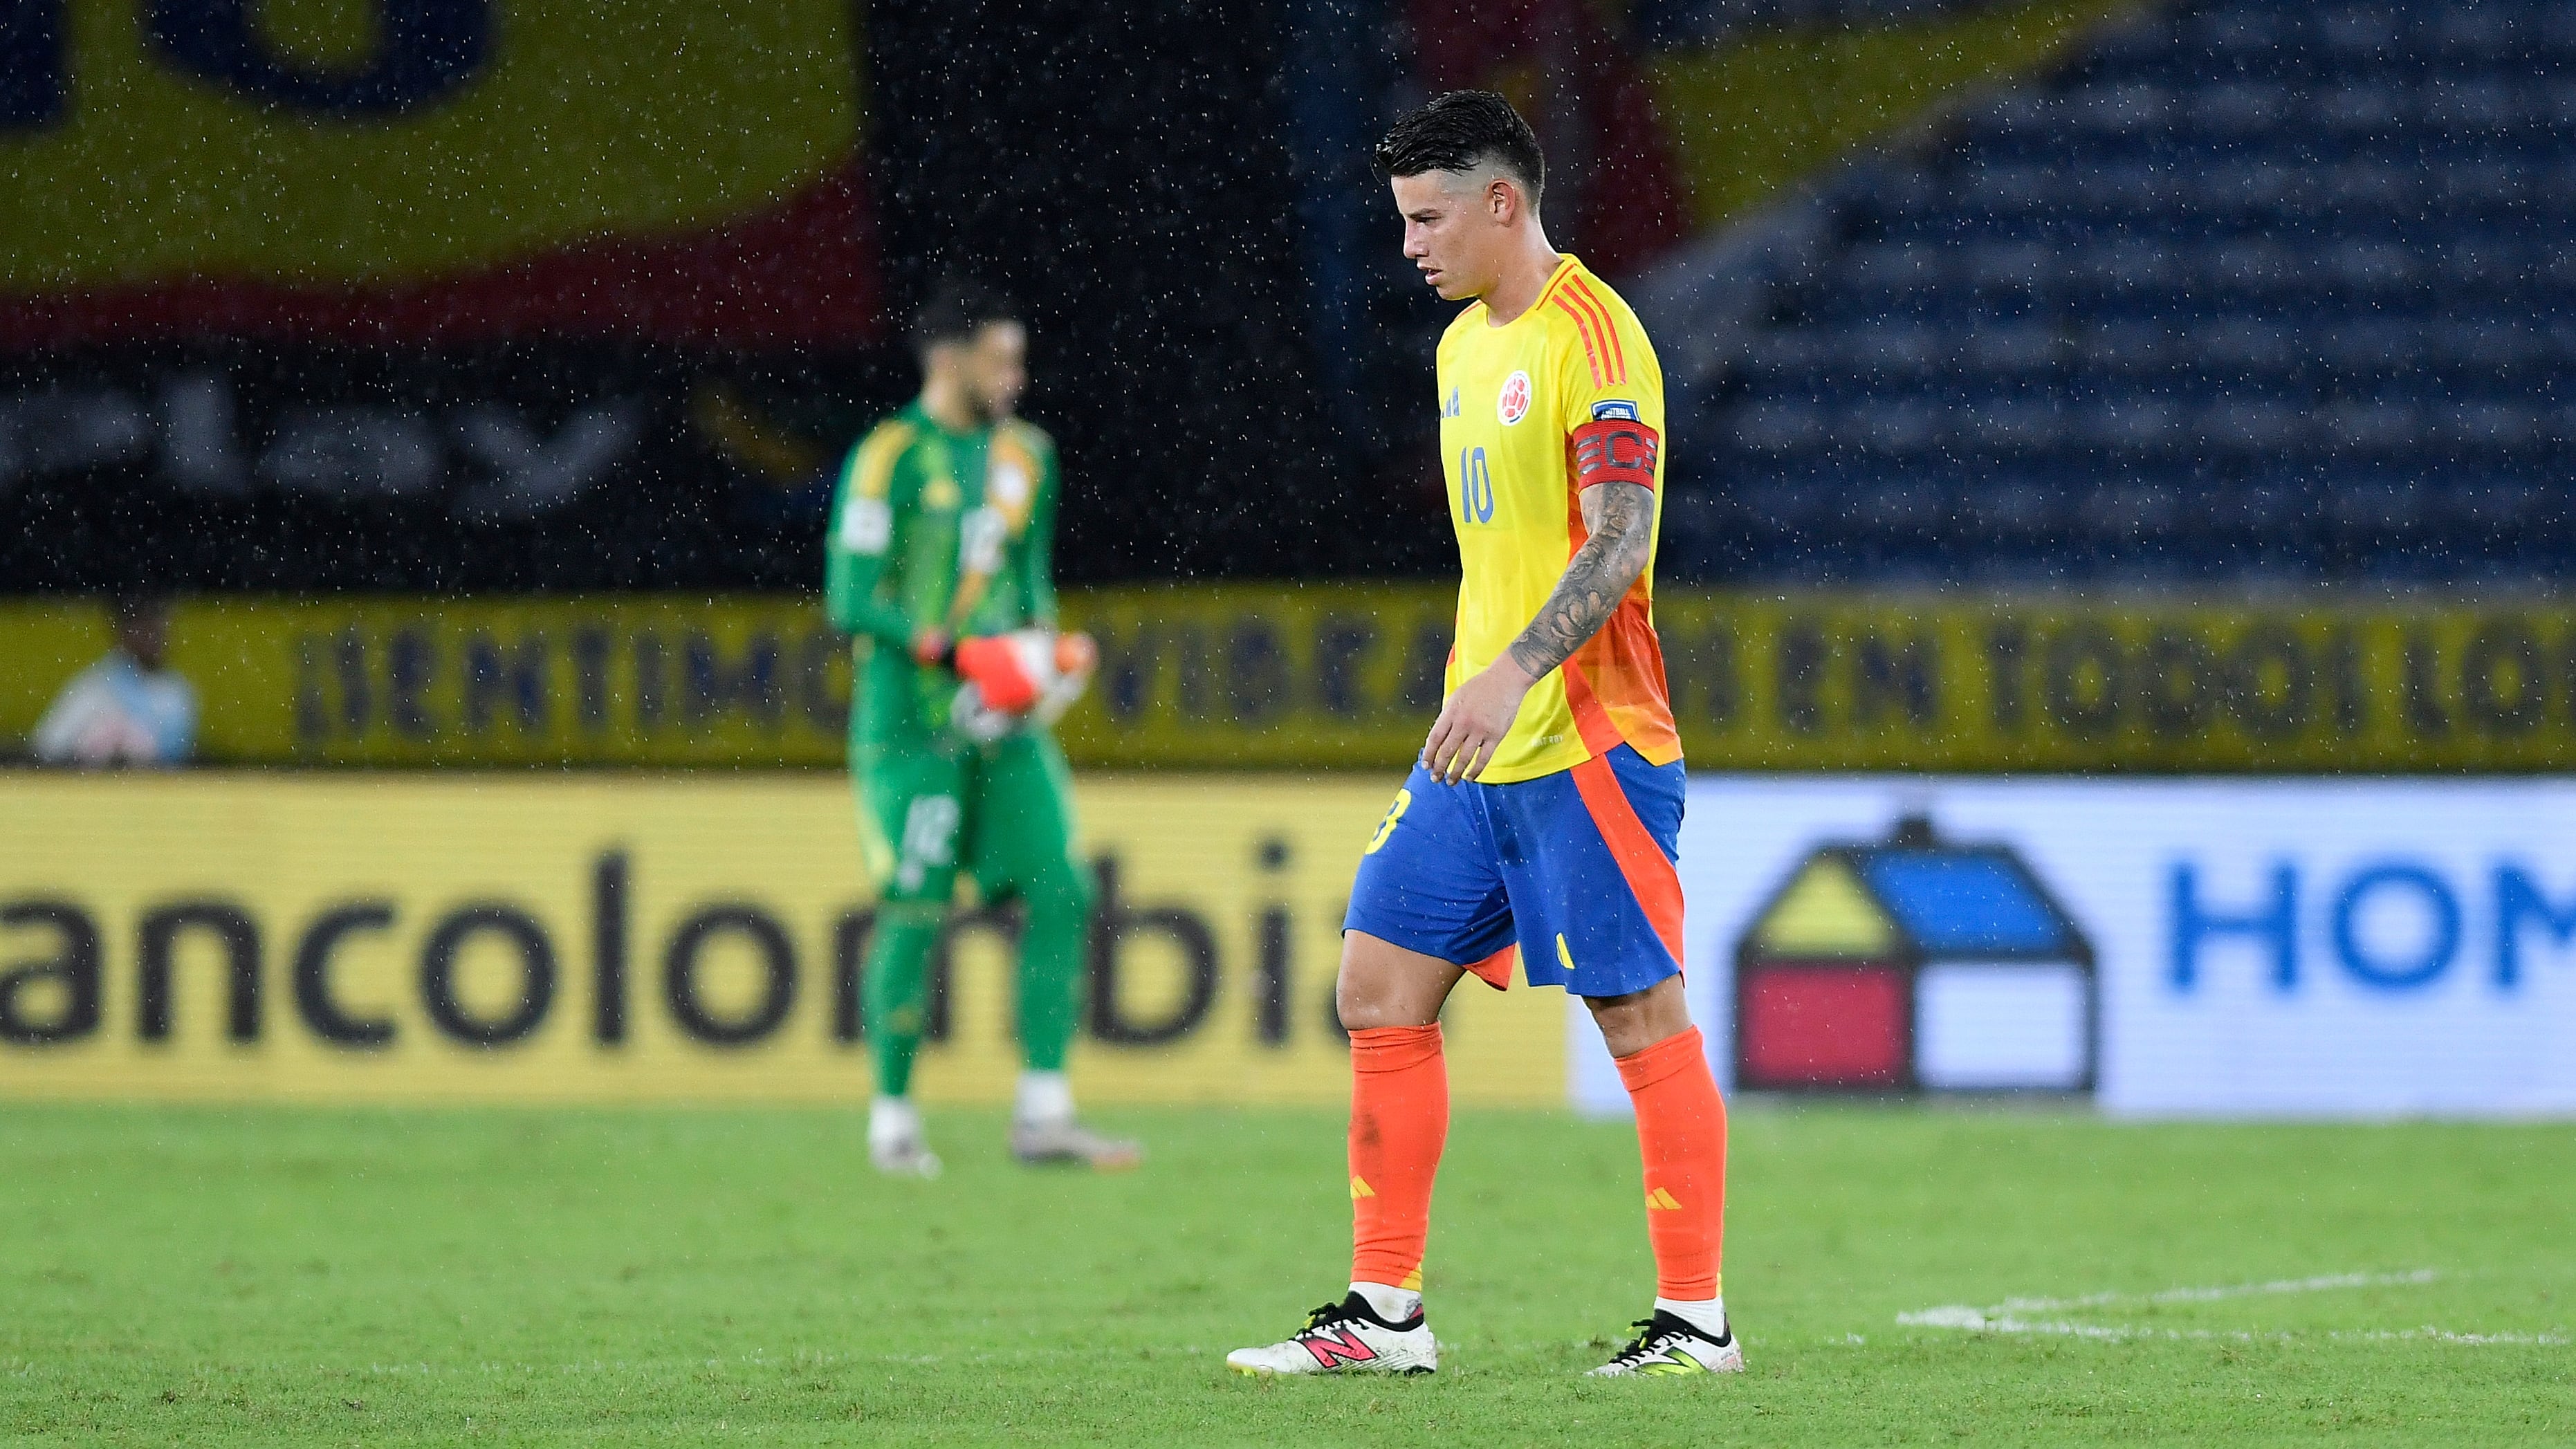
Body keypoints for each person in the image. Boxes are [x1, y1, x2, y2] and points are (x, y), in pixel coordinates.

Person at [1226, 92, 1735, 1378]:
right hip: (1474, 745)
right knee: (1375, 989)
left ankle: (1695, 1325)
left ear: (1501, 202)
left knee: (1636, 1014)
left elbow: (1618, 540)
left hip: (1585, 738)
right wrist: (1479, 677)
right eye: (1400, 219)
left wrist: (1511, 670)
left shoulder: (1596, 340)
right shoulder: (1462, 345)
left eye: (1426, 216)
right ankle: (1383, 1314)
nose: (1407, 244)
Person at [824, 277, 1141, 1176]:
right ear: (948, 357)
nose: (1016, 376)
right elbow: (852, 599)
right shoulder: (889, 458)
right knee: (916, 905)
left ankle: (1044, 1112)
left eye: (1018, 358)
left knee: (1063, 891)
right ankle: (892, 1118)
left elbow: (1030, 583)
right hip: (912, 727)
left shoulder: (1027, 458)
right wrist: (952, 652)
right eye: (1000, 358)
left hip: (1004, 725)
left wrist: (1045, 665)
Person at [32, 595, 198, 767]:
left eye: (158, 626)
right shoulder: (96, 686)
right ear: (123, 633)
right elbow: (48, 747)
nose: (153, 635)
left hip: (162, 789)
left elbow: (179, 756)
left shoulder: (178, 689)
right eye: (143, 627)